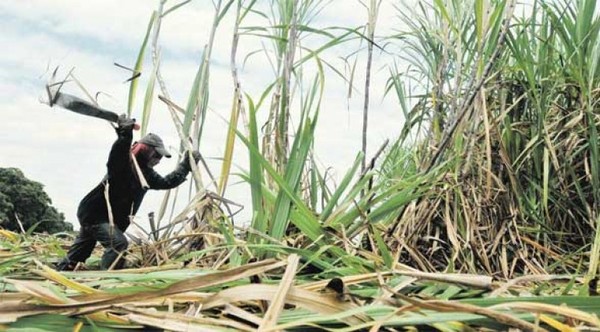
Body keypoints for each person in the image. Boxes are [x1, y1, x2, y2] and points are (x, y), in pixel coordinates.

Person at [55, 109, 200, 271]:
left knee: (82, 249)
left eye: (160, 157)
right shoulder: (123, 163)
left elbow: (167, 182)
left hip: (101, 218)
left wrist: (186, 165)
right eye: (156, 155)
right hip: (96, 214)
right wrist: (125, 134)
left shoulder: (146, 174)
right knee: (118, 243)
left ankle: (61, 271)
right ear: (146, 150)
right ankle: (105, 280)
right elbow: (119, 152)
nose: (158, 160)